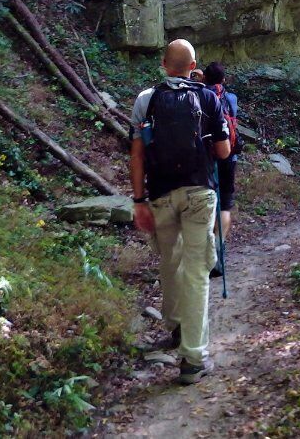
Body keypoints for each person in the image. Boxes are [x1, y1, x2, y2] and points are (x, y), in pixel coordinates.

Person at [131, 39, 231, 385]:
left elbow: (138, 154)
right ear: (194, 65)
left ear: (162, 64)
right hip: (198, 193)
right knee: (196, 271)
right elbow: (222, 151)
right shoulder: (208, 97)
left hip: (159, 195)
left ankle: (174, 327)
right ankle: (192, 358)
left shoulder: (147, 99)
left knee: (170, 262)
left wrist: (138, 200)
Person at [201, 61, 239, 277]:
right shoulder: (231, 98)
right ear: (223, 79)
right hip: (228, 155)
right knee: (224, 205)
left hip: (206, 157)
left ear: (204, 78)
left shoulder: (199, 96)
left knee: (207, 203)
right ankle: (218, 250)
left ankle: (206, 256)